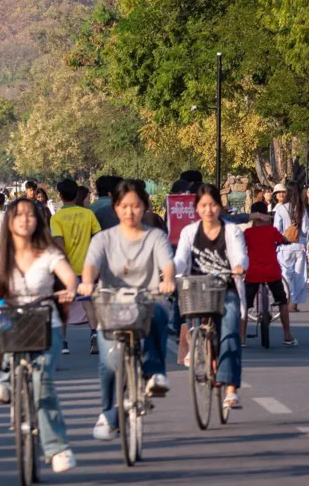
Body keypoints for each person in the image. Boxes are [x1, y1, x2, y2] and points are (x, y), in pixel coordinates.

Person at [0, 197, 78, 474]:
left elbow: (69, 278)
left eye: (30, 215)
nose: (25, 219)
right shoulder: (0, 256)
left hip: (46, 321)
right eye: (18, 215)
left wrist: (70, 289)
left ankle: (56, 447)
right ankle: (5, 379)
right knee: (8, 341)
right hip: (12, 320)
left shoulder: (49, 253)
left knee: (42, 381)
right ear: (9, 221)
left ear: (38, 220)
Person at [79, 180, 176, 441]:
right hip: (112, 305)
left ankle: (155, 373)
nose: (130, 211)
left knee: (158, 312)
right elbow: (90, 265)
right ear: (115, 208)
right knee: (107, 364)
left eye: (135, 206)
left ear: (145, 207)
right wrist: (87, 282)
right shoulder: (104, 238)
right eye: (124, 206)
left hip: (147, 301)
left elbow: (167, 265)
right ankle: (108, 412)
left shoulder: (154, 236)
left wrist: (167, 280)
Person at [174, 183, 247, 409]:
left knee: (230, 332)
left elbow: (239, 254)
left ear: (220, 206)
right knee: (184, 311)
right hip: (197, 290)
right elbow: (181, 260)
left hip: (226, 289)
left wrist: (238, 266)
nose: (208, 210)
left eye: (213, 205)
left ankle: (231, 388)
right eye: (203, 205)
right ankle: (194, 347)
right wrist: (169, 271)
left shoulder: (231, 231)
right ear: (196, 208)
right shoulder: (189, 232)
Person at [50, 179, 102, 356]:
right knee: (88, 304)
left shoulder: (57, 218)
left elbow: (59, 244)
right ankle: (94, 334)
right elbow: (98, 238)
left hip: (67, 269)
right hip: (88, 267)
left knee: (64, 305)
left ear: (60, 196)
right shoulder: (88, 215)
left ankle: (63, 343)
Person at [242, 201, 296, 345]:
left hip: (253, 273)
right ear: (266, 214)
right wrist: (285, 241)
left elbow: (240, 244)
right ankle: (287, 335)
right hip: (272, 272)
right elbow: (283, 240)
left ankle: (241, 338)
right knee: (282, 302)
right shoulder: (272, 232)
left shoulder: (248, 233)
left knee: (245, 305)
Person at [273, 181, 309, 312]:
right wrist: (303, 243)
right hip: (299, 247)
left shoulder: (280, 209)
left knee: (286, 274)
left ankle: (288, 300)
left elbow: (276, 230)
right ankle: (295, 303)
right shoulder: (302, 209)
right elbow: (305, 230)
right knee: (300, 276)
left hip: (285, 247)